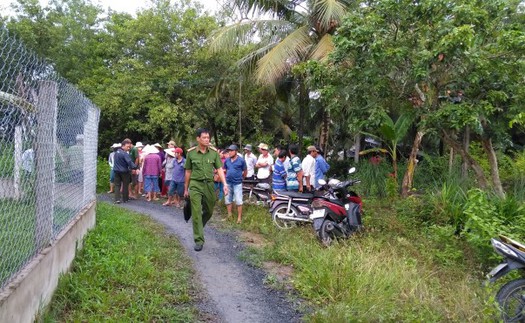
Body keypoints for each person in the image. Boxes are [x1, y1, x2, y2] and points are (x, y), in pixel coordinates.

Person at [184, 128, 228, 252]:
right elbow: (188, 171)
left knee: (209, 211)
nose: (207, 140)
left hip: (209, 185)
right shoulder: (191, 153)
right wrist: (186, 188)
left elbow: (219, 169)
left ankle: (199, 227)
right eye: (204, 137)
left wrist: (224, 183)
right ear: (198, 139)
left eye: (208, 137)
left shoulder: (213, 153)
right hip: (195, 184)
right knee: (196, 212)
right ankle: (199, 240)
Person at [223, 145, 247, 223]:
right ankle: (229, 216)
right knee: (228, 200)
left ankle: (239, 218)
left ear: (236, 151)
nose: (229, 152)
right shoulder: (227, 160)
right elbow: (225, 170)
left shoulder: (241, 160)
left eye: (231, 151)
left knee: (239, 201)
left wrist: (242, 178)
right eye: (228, 151)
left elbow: (245, 171)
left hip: (237, 183)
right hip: (228, 183)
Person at [113, 138, 138, 203]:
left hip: (116, 171)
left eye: (129, 147)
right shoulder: (125, 154)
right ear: (123, 145)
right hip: (124, 171)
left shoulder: (116, 152)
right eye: (127, 146)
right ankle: (125, 199)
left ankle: (117, 199)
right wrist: (135, 167)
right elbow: (129, 162)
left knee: (117, 185)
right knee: (125, 185)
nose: (129, 148)